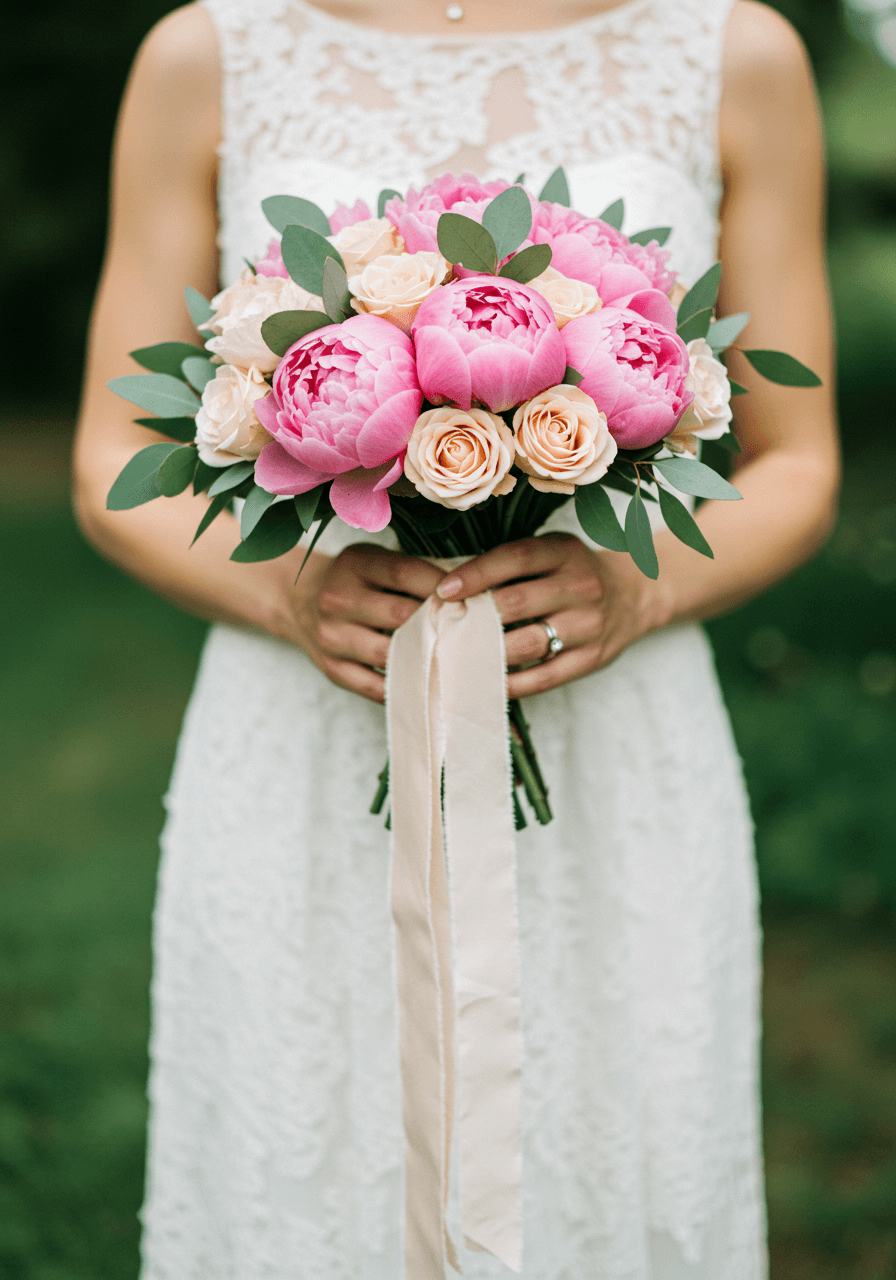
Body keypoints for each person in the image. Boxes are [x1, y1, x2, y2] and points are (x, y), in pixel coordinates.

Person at [73, 0, 839, 1275]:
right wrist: (284, 591)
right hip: (307, 725)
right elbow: (109, 452)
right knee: (300, 1155)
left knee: (617, 1146)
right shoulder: (210, 49)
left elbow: (798, 459)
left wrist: (636, 591)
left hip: (610, 729)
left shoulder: (732, 47)